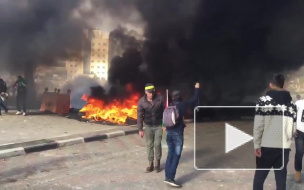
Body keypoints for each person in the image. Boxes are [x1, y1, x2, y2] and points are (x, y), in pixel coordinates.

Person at [253, 74, 297, 190]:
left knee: (259, 180)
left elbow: (258, 125)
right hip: (284, 148)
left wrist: (257, 145)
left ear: (271, 85)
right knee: (281, 181)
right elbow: (293, 128)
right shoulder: (291, 104)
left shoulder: (263, 101)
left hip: (266, 147)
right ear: (283, 85)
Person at [163, 82, 200, 187]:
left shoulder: (169, 105)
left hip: (169, 133)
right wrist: (197, 88)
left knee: (170, 154)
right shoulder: (182, 104)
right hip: (177, 133)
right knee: (176, 155)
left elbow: (164, 118)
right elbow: (194, 99)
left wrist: (164, 125)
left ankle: (167, 176)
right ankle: (170, 178)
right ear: (180, 97)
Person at [137, 83, 166, 173]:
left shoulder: (160, 99)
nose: (151, 94)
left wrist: (164, 124)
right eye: (149, 92)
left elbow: (165, 111)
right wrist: (140, 129)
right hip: (148, 126)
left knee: (157, 144)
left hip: (158, 125)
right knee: (149, 145)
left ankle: (157, 163)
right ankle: (150, 164)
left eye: (152, 92)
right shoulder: (142, 101)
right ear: (145, 92)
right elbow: (140, 115)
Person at [294, 94, 304, 182]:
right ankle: (298, 171)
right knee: (299, 153)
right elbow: (292, 116)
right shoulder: (299, 103)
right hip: (300, 132)